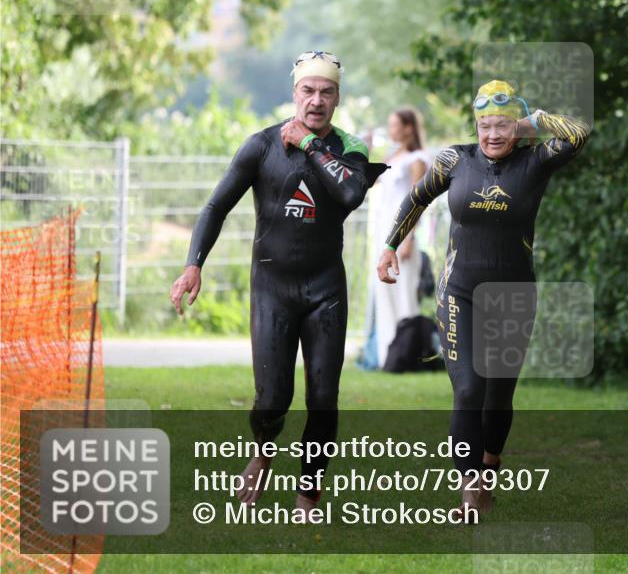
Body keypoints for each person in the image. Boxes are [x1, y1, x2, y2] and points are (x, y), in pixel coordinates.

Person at [170, 51, 386, 512]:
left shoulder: (350, 149)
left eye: (326, 92)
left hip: (325, 289)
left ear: (337, 98)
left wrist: (309, 146)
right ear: (295, 93)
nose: (316, 101)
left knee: (324, 397)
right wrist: (193, 264)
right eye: (308, 90)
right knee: (272, 398)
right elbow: (215, 207)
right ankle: (263, 452)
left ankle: (309, 489)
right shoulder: (262, 146)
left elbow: (350, 193)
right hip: (272, 288)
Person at [376, 79, 591, 521]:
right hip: (460, 292)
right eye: (485, 125)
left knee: (498, 398)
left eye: (503, 125)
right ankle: (469, 492)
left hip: (514, 296)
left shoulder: (535, 160)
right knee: (469, 390)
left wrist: (534, 122)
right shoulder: (456, 159)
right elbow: (417, 199)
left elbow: (578, 133)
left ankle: (489, 467)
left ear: (518, 127)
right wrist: (390, 246)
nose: (492, 134)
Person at [370, 107, 431, 368]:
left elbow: (417, 201)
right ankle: (388, 355)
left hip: (402, 232)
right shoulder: (392, 156)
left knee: (404, 292)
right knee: (383, 293)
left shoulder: (417, 159)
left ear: (408, 128)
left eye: (395, 125)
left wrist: (407, 239)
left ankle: (409, 355)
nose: (391, 129)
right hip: (382, 229)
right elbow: (372, 183)